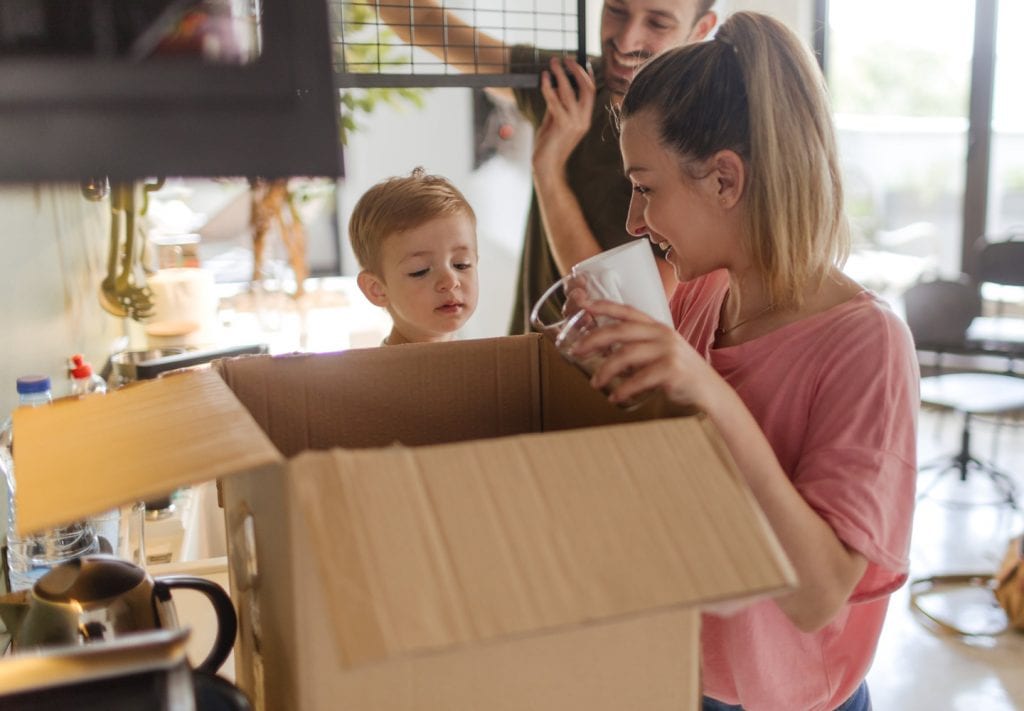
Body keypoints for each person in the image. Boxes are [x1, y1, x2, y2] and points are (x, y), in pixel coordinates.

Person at [570, 12, 919, 711]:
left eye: (646, 186)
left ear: (725, 180)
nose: (636, 221)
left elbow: (818, 596)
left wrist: (708, 392)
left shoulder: (867, 346)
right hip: (683, 676)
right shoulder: (702, 295)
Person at [373, 0, 717, 334]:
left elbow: (628, 310)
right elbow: (418, 21)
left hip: (603, 380)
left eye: (657, 23)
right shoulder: (574, 85)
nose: (626, 41)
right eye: (616, 10)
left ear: (700, 29)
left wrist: (548, 170)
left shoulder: (699, 141)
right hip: (528, 359)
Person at [349, 168, 479, 345]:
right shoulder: (376, 372)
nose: (450, 281)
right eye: (420, 271)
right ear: (377, 289)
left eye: (461, 264)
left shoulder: (484, 363)